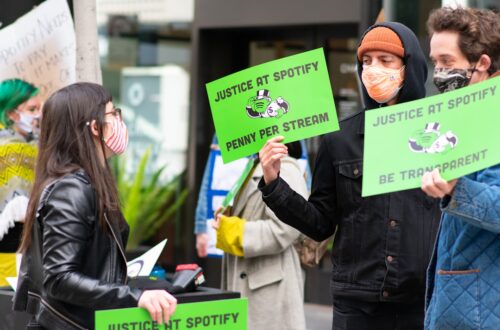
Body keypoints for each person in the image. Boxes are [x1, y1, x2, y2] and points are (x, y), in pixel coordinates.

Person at [258, 22, 442, 329]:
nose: (373, 70)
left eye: (386, 61)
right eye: (366, 62)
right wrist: (274, 183)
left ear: (409, 66)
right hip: (356, 305)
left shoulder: (439, 133)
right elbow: (319, 223)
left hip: (421, 301)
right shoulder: (339, 139)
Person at [13, 82, 177, 330]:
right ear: (94, 127)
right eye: (113, 114)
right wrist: (135, 296)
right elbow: (59, 277)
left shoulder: (85, 182)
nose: (120, 121)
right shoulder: (72, 190)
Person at [421, 7, 500, 329]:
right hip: (465, 306)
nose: (439, 72)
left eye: (447, 62)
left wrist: (457, 189)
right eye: (435, 63)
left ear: (481, 63)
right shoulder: (467, 115)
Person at [212, 142, 308, 330]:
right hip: (253, 283)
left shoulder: (285, 168)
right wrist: (228, 218)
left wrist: (234, 230)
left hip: (269, 291)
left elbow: (286, 229)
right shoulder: (255, 165)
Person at [0, 79, 41, 286]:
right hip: (6, 248)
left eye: (39, 108)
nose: (37, 115)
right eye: (32, 109)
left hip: (33, 246)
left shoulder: (37, 142)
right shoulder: (4, 145)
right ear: (10, 113)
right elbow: (17, 208)